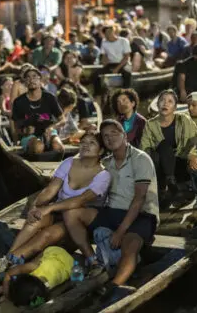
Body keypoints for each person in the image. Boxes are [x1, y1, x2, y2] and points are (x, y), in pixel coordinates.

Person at [0, 131, 110, 279]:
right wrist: (35, 206)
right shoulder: (69, 162)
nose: (85, 145)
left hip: (77, 222)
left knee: (46, 234)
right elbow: (51, 189)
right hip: (58, 212)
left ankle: (9, 262)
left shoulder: (103, 175)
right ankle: (7, 260)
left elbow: (80, 201)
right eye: (83, 142)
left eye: (92, 143)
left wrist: (48, 207)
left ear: (101, 151)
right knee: (35, 219)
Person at [63, 120, 158, 299]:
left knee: (130, 247)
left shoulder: (140, 158)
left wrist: (121, 231)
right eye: (105, 136)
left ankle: (114, 287)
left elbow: (139, 199)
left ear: (124, 134)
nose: (109, 138)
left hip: (140, 215)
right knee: (71, 213)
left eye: (114, 133)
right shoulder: (105, 162)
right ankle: (93, 260)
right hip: (111, 212)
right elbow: (82, 172)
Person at [140, 90, 197, 203]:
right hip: (162, 166)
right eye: (162, 101)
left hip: (182, 161)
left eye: (170, 101)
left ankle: (182, 184)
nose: (165, 104)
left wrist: (192, 156)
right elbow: (144, 147)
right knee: (162, 146)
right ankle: (164, 186)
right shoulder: (150, 124)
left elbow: (194, 142)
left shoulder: (184, 120)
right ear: (157, 105)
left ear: (175, 107)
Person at [11, 68, 64, 154]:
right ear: (25, 82)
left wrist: (52, 127)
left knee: (58, 146)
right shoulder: (19, 101)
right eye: (27, 78)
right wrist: (25, 131)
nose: (31, 80)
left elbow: (62, 120)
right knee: (38, 146)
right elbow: (16, 126)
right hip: (29, 136)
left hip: (48, 131)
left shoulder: (50, 97)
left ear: (40, 79)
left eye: (34, 77)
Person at [0, 247, 74, 307]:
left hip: (66, 261)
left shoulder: (42, 293)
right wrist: (6, 289)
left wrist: (7, 296)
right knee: (35, 261)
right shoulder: (35, 267)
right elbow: (9, 274)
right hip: (61, 257)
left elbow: (9, 275)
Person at [94, 26, 132, 97]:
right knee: (96, 74)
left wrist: (117, 68)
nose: (107, 34)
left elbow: (126, 57)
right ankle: (97, 94)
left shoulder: (123, 41)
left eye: (109, 32)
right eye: (105, 33)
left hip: (123, 63)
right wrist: (104, 64)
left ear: (113, 32)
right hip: (111, 64)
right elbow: (104, 55)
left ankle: (126, 93)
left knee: (127, 74)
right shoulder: (104, 42)